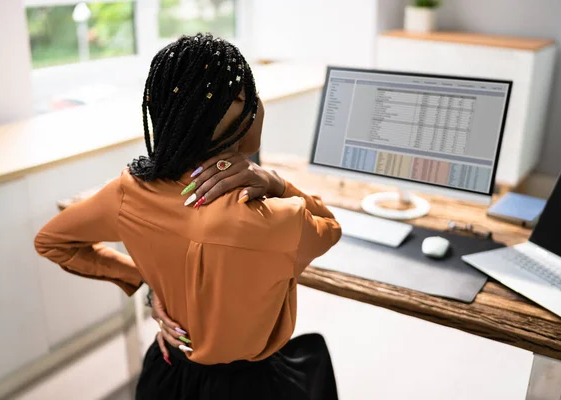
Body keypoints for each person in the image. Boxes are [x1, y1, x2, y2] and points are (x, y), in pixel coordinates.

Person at [34, 33, 342, 399]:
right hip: (251, 388)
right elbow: (331, 227)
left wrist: (148, 285)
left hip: (168, 374)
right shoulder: (277, 219)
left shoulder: (127, 191)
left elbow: (51, 242)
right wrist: (275, 182)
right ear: (245, 107)